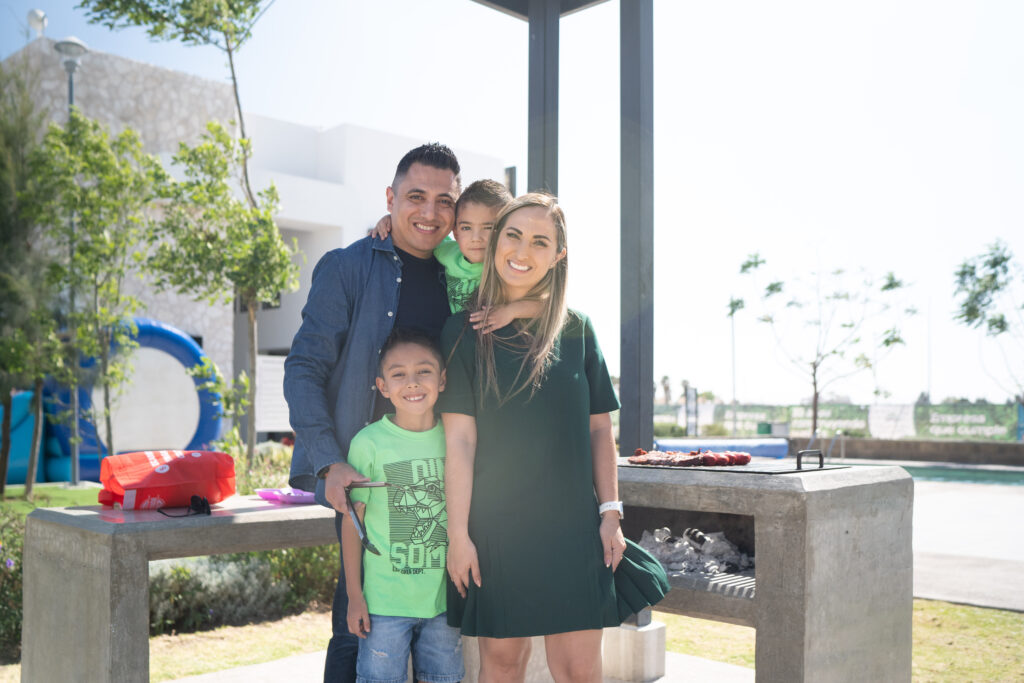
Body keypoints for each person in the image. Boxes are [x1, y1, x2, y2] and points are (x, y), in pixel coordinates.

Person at [283, 142, 462, 683]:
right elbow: (304, 368)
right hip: (370, 479)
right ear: (390, 198)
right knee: (357, 632)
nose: (429, 213)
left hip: (448, 480)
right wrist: (329, 461)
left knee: (440, 640)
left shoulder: (465, 275)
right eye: (415, 197)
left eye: (443, 201)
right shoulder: (348, 268)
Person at [440, 192, 627, 682]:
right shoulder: (462, 332)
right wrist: (458, 536)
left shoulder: (578, 330)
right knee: (502, 665)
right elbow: (459, 441)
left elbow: (600, 428)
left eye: (540, 241)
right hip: (496, 531)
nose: (523, 250)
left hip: (574, 531)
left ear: (558, 255)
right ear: (497, 240)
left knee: (579, 670)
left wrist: (611, 513)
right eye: (514, 235)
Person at [341, 328, 464, 683]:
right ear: (383, 386)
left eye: (423, 371)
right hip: (384, 607)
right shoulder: (369, 443)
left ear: (442, 380)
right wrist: (354, 595)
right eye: (398, 374)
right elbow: (353, 523)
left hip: (444, 604)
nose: (412, 382)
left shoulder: (455, 437)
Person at [371, 178, 540, 331]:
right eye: (466, 228)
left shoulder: (508, 267)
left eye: (488, 228)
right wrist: (389, 220)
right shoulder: (447, 252)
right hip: (454, 343)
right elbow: (415, 231)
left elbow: (545, 305)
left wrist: (510, 311)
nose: (476, 238)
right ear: (456, 232)